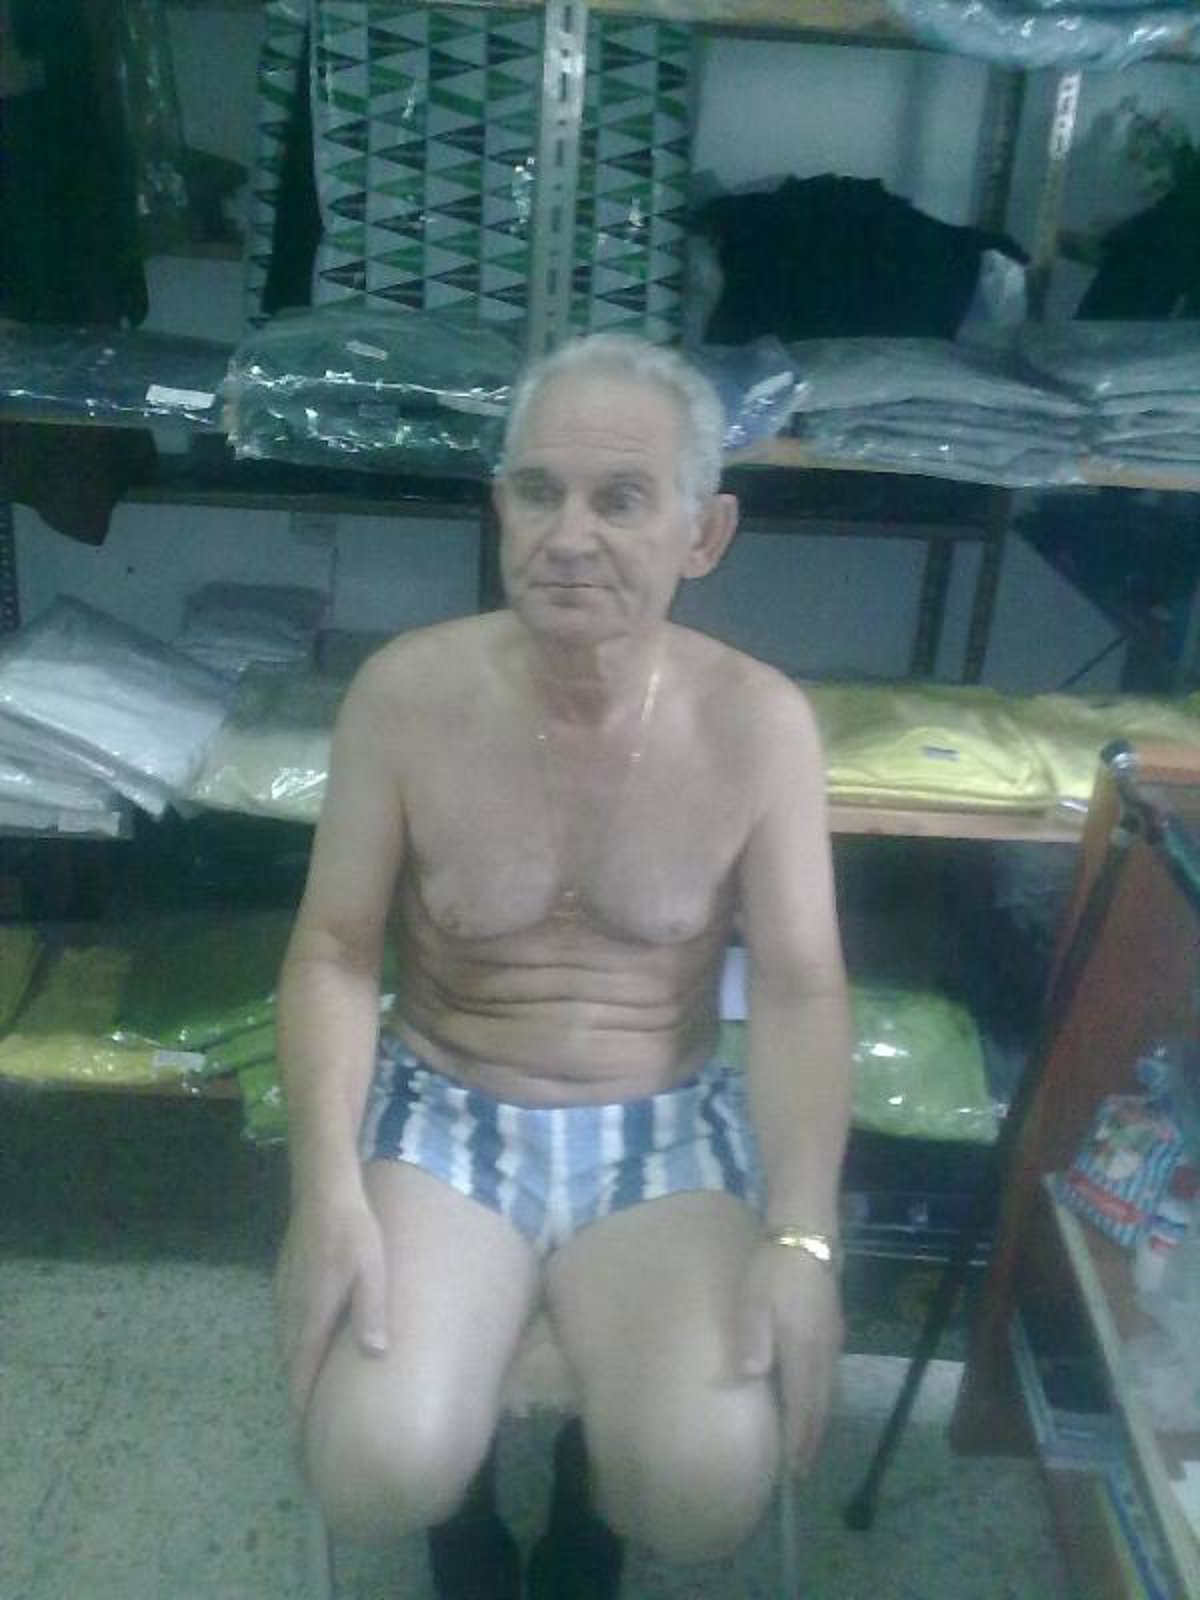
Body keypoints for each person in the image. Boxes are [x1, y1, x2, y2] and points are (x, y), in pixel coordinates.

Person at [275, 332, 852, 1598]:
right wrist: (327, 1192)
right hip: (446, 1110)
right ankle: (466, 1506)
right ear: (501, 508)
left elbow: (803, 986)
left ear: (704, 534)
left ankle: (594, 1495)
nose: (569, 535)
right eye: (538, 491)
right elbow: (331, 950)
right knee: (375, 1467)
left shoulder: (758, 722)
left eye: (621, 498)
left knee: (702, 1492)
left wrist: (803, 1238)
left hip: (661, 1125)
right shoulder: (405, 694)